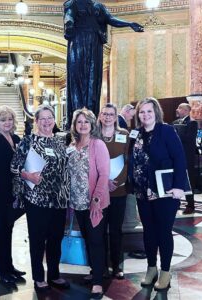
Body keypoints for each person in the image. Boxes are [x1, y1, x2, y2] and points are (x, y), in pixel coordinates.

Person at [130, 97, 188, 291]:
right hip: (142, 192)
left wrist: (180, 186)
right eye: (141, 112)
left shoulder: (166, 131)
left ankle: (165, 272)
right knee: (148, 232)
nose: (145, 115)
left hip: (165, 192)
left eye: (149, 111)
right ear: (138, 115)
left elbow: (179, 158)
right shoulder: (136, 134)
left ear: (156, 112)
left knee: (163, 232)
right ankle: (151, 268)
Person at [11, 105, 70, 292]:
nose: (46, 122)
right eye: (42, 118)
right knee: (37, 240)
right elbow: (14, 167)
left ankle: (54, 274)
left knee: (56, 239)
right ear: (36, 121)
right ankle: (38, 277)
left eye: (50, 117)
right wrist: (28, 176)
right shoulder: (28, 141)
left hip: (59, 200)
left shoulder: (61, 142)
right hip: (37, 199)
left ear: (54, 120)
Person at [63, 0, 143, 127]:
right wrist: (69, 23)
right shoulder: (72, 3)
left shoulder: (98, 6)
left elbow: (111, 19)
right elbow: (69, 15)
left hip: (94, 46)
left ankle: (91, 121)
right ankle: (76, 121)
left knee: (93, 83)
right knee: (77, 82)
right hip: (78, 45)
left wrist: (129, 24)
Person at [67, 108, 110, 299]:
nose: (82, 125)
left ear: (92, 124)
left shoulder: (98, 144)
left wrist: (96, 199)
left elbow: (104, 174)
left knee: (96, 240)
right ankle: (95, 271)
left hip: (94, 202)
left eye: (86, 121)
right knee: (87, 238)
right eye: (79, 122)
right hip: (77, 202)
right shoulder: (72, 144)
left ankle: (98, 283)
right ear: (75, 125)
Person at [0, 106, 26, 287]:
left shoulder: (14, 138)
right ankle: (1, 271)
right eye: (3, 120)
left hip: (11, 193)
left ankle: (9, 266)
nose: (7, 123)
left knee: (7, 231)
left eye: (9, 119)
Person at [98, 103, 130, 280]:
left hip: (119, 190)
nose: (108, 117)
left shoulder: (124, 135)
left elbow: (127, 161)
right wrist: (104, 183)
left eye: (111, 114)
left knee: (116, 230)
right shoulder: (94, 135)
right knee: (100, 230)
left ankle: (117, 265)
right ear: (100, 116)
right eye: (105, 114)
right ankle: (101, 265)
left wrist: (116, 182)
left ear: (116, 116)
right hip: (99, 191)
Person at [173, 103, 198, 214]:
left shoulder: (192, 123)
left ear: (187, 111)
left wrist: (176, 134)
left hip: (187, 157)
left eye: (180, 108)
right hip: (175, 157)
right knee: (175, 179)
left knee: (189, 180)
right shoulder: (174, 123)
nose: (177, 110)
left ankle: (190, 205)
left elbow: (189, 138)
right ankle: (176, 203)